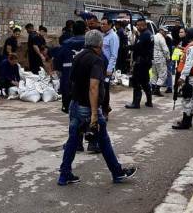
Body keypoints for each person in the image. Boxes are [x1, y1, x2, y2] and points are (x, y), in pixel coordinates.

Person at [58, 29, 137, 185]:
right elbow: (93, 87)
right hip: (88, 107)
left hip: (75, 104)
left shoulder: (78, 56)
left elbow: (71, 80)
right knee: (104, 140)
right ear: (100, 43)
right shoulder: (97, 60)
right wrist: (94, 113)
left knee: (73, 140)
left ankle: (64, 174)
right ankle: (117, 172)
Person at [172, 27, 193, 130]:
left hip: (189, 77)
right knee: (191, 99)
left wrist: (182, 77)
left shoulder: (192, 48)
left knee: (186, 99)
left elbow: (188, 63)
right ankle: (188, 121)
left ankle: (185, 122)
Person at [56, 21, 86, 115]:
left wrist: (59, 70)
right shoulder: (89, 43)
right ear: (85, 30)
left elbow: (58, 58)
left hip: (68, 73)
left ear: (73, 30)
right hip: (85, 74)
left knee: (67, 90)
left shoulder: (66, 43)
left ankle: (67, 107)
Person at [125, 18, 154, 109]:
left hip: (142, 62)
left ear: (144, 25)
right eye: (136, 25)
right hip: (146, 61)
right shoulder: (148, 34)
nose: (137, 27)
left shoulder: (145, 35)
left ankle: (136, 103)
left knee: (136, 81)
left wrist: (128, 47)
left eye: (138, 25)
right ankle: (149, 101)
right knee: (145, 81)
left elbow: (138, 47)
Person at [101, 17, 119, 119]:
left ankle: (105, 111)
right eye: (101, 24)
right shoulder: (103, 36)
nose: (102, 26)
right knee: (100, 88)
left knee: (105, 89)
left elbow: (113, 55)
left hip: (107, 67)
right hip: (100, 66)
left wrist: (109, 69)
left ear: (110, 25)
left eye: (104, 24)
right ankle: (105, 107)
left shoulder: (113, 37)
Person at [151, 27, 170, 97]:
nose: (166, 33)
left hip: (153, 57)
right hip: (160, 58)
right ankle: (157, 89)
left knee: (154, 74)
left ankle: (153, 89)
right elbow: (165, 49)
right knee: (163, 74)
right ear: (161, 31)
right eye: (165, 32)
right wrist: (168, 57)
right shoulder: (161, 38)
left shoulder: (153, 36)